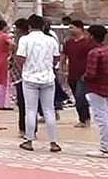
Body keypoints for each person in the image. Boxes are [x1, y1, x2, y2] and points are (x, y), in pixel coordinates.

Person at [16, 14, 61, 152]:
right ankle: (53, 142)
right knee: (49, 110)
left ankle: (29, 140)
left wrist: (28, 65)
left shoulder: (25, 40)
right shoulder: (50, 40)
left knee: (31, 109)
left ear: (29, 26)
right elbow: (56, 57)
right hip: (47, 77)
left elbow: (20, 58)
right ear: (42, 26)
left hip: (30, 77)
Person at [82, 24, 108, 158]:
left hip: (97, 88)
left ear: (92, 36)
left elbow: (91, 74)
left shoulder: (94, 53)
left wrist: (84, 77)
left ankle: (105, 147)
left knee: (101, 117)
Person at [63, 20, 93, 128]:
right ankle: (84, 117)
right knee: (76, 96)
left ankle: (84, 118)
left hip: (84, 74)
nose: (70, 30)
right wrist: (63, 69)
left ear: (80, 28)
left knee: (80, 96)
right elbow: (64, 56)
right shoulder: (68, 42)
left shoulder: (87, 43)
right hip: (72, 73)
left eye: (72, 28)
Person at [9, 18, 30, 137]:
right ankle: (24, 128)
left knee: (24, 103)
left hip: (25, 74)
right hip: (20, 74)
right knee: (23, 103)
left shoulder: (23, 41)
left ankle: (26, 128)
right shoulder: (17, 40)